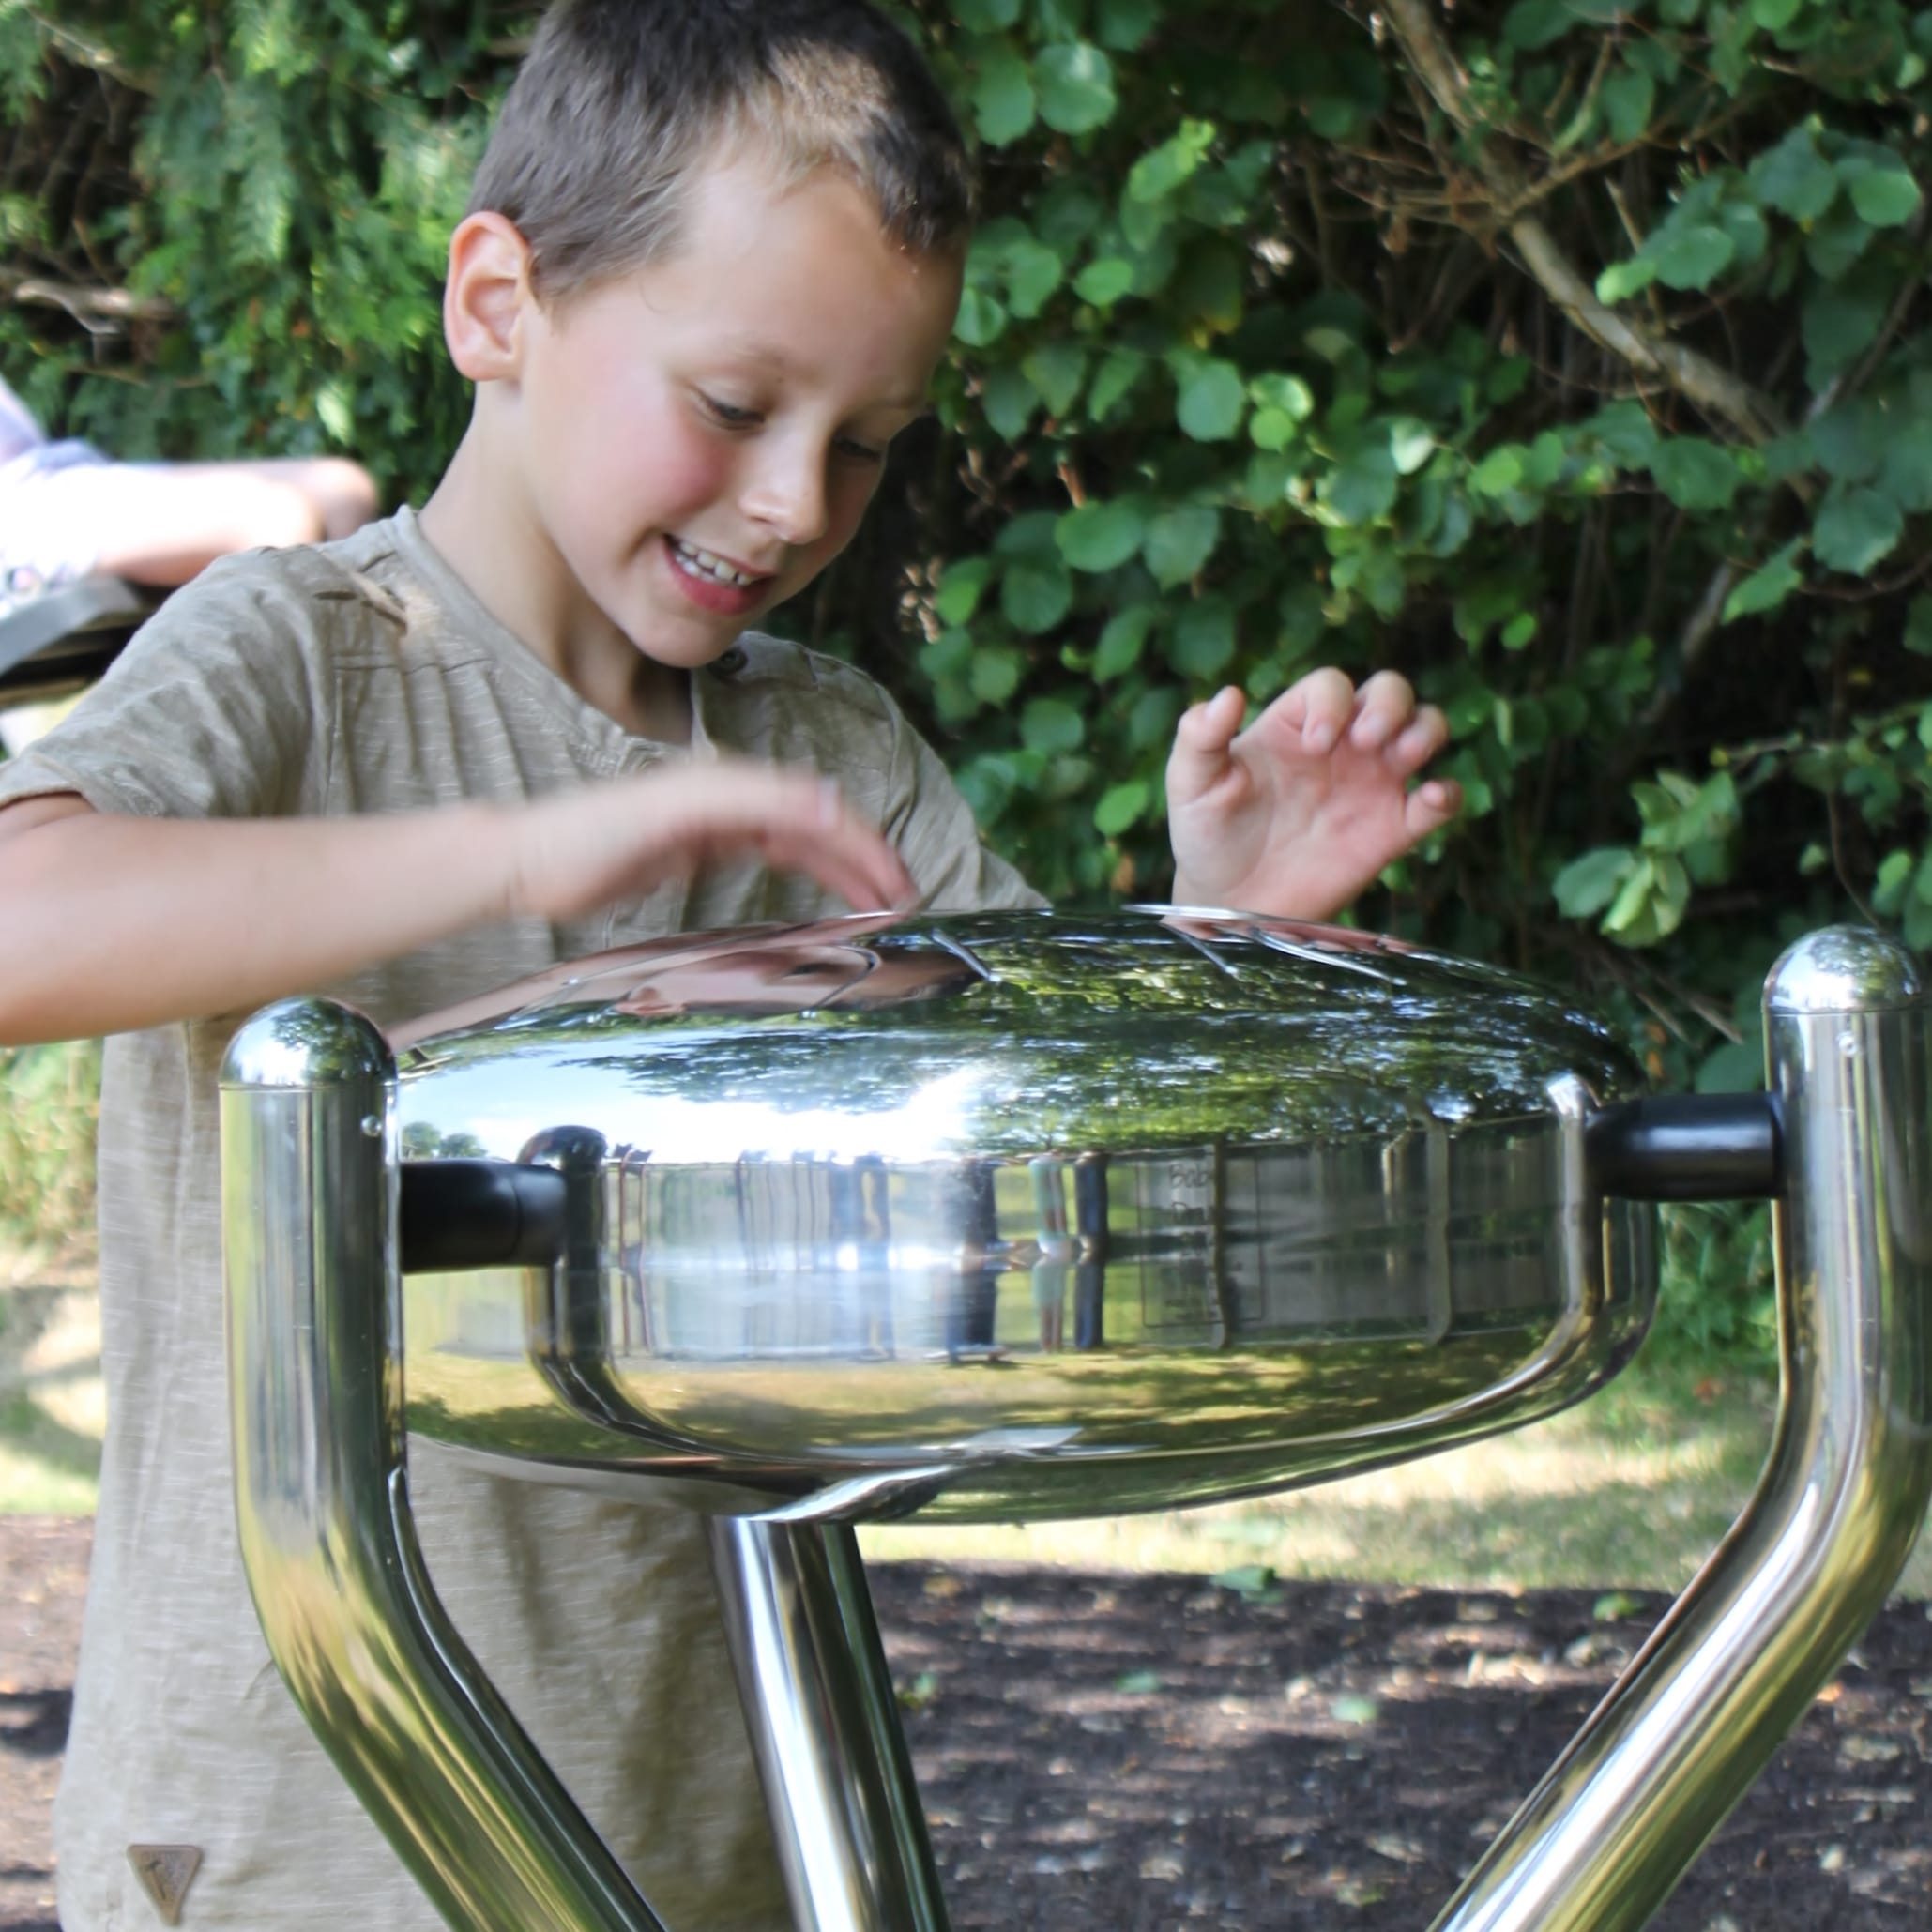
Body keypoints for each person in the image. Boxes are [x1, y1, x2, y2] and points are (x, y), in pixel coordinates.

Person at [0, 4, 1460, 1926]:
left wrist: (1209, 933)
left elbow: (1031, 1133)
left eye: (862, 444)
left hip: (718, 1836)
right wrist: (529, 844)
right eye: (733, 403)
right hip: (296, 1846)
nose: (793, 503)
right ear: (499, 301)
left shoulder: (824, 753)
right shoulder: (304, 654)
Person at [0, 372, 379, 614]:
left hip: (52, 476)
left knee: (343, 489)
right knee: (277, 521)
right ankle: (295, 714)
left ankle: (350, 684)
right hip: (19, 526)